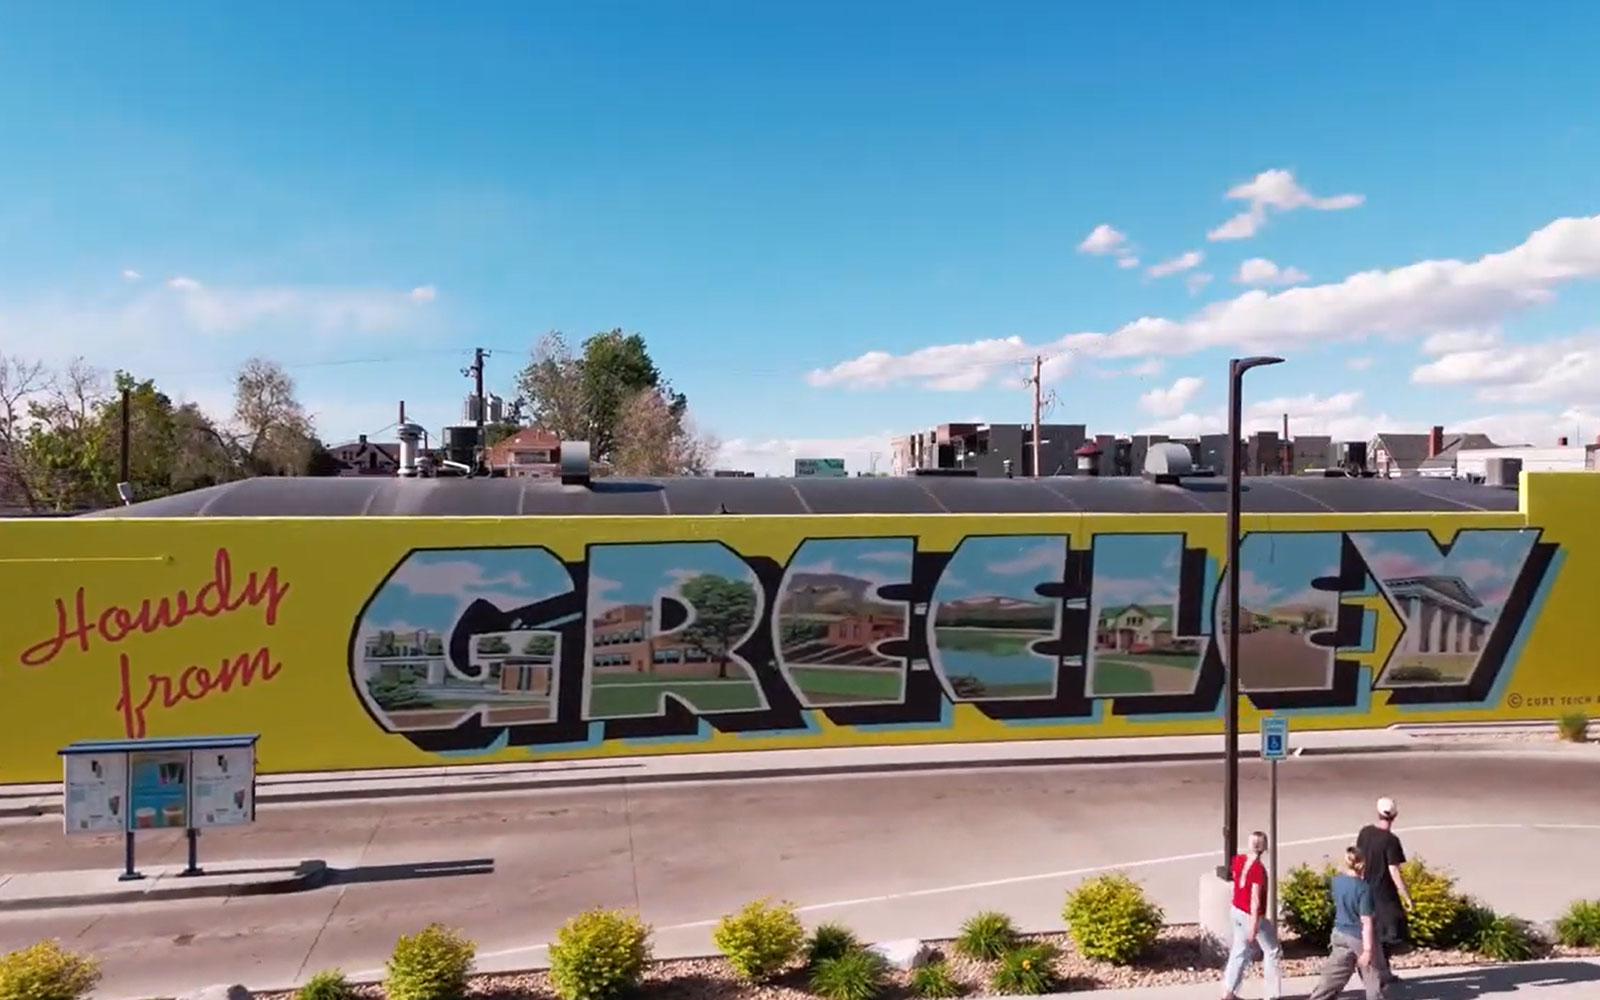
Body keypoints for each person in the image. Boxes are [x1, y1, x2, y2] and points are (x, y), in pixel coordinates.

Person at [1308, 847, 1385, 1000]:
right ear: (1363, 864)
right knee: (1372, 979)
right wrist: (1368, 951)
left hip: (1339, 933)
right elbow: (1366, 921)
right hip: (1358, 937)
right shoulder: (1364, 888)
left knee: (1333, 977)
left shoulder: (1336, 881)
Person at [1356, 796, 1412, 988]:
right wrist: (1406, 896)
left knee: (1371, 931)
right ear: (1395, 816)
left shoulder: (1365, 833)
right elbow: (1393, 870)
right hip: (1384, 895)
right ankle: (1378, 972)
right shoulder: (1391, 841)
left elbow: (1359, 860)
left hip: (1365, 890)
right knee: (1389, 933)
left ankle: (1381, 971)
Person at [1221, 830, 1282, 1000]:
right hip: (1250, 915)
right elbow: (1255, 900)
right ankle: (1272, 995)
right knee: (1272, 951)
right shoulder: (1258, 870)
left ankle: (1229, 991)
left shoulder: (1238, 860)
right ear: (1264, 847)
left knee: (1238, 951)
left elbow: (1237, 881)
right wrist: (1254, 925)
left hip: (1236, 910)